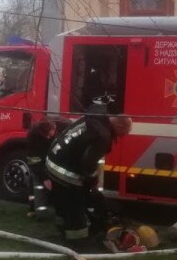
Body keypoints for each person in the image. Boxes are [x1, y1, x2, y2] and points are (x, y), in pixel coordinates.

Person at [46, 105, 131, 247]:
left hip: (53, 160)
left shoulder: (96, 117)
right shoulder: (103, 137)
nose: (121, 138)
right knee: (75, 205)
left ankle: (62, 229)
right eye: (122, 134)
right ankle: (77, 242)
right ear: (118, 126)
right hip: (64, 170)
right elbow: (87, 163)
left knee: (62, 202)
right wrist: (92, 181)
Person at [26, 117, 71, 219]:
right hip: (39, 162)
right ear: (41, 131)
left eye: (51, 134)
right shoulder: (33, 135)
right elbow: (33, 161)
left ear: (55, 127)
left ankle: (61, 212)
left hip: (56, 159)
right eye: (46, 135)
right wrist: (44, 178)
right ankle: (35, 210)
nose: (48, 137)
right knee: (36, 185)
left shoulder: (64, 125)